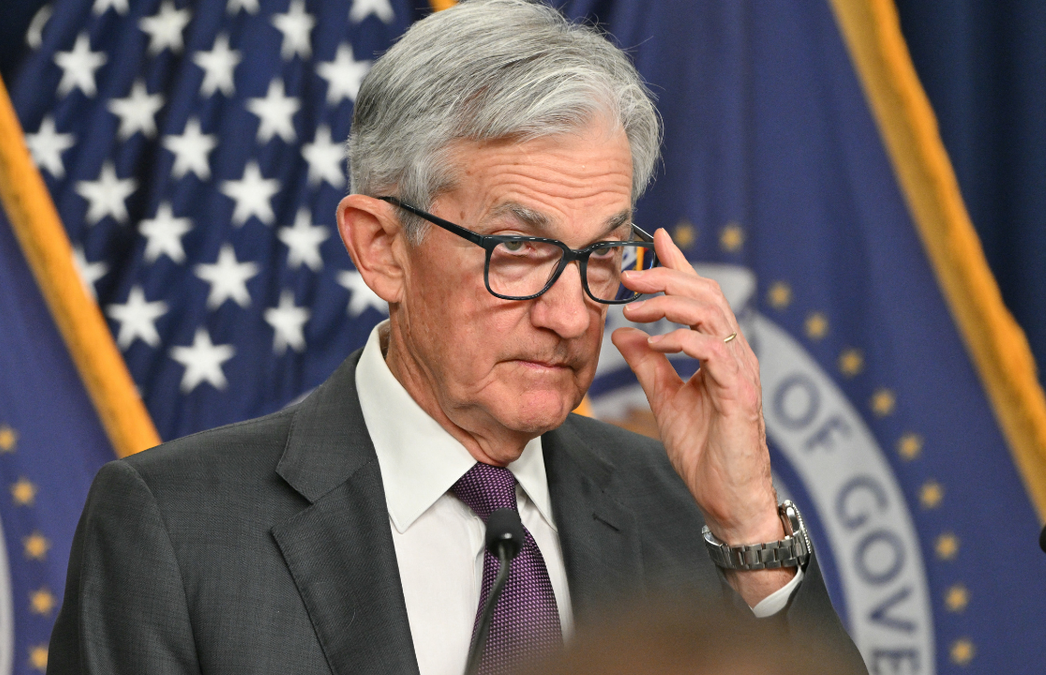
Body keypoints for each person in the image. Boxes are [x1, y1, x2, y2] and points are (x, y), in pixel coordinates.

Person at [47, 1, 866, 673]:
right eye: (519, 250)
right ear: (380, 248)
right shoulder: (174, 526)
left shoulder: (686, 514)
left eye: (603, 255)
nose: (574, 315)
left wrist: (749, 522)